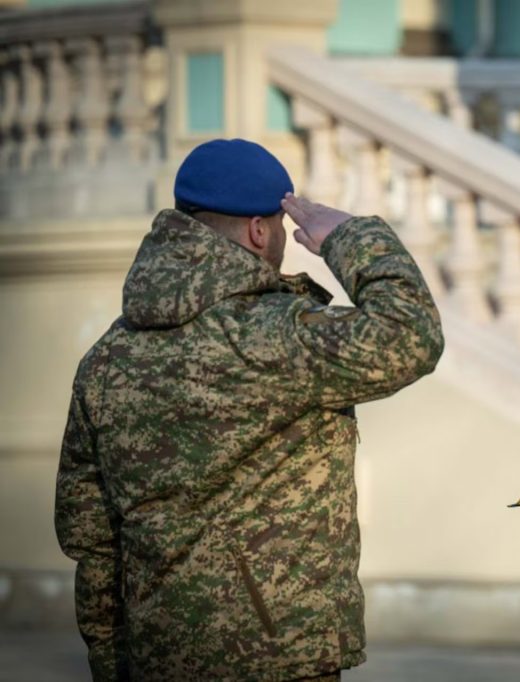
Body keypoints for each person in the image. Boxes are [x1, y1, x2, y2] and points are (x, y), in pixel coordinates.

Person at [54, 138, 444, 681]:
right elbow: (411, 333)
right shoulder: (279, 338)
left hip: (156, 659)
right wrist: (350, 236)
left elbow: (92, 538)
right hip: (278, 658)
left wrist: (112, 662)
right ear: (260, 231)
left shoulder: (106, 358)